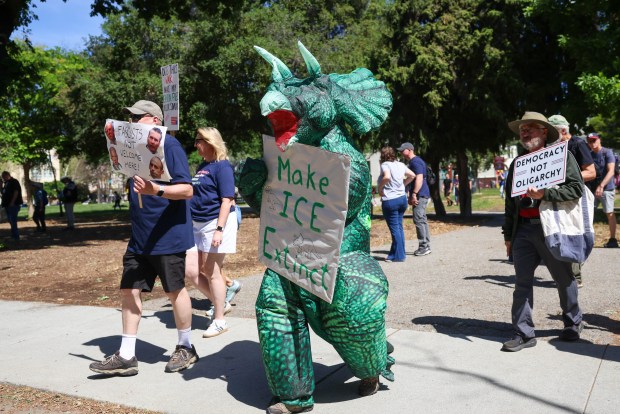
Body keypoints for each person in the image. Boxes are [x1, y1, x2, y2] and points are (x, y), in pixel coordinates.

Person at [89, 100, 198, 376]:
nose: (132, 122)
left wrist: (156, 190)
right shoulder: (132, 151)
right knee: (129, 289)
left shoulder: (169, 146)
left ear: (153, 119)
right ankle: (126, 355)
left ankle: (186, 346)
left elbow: (186, 190)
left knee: (174, 291)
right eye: (130, 118)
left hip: (168, 235)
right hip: (140, 237)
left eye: (137, 117)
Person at [501, 111, 584, 352]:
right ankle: (523, 333)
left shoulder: (562, 156)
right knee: (522, 284)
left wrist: (545, 194)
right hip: (523, 232)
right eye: (522, 129)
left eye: (530, 128)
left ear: (544, 131)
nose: (524, 132)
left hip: (553, 229)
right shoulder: (518, 163)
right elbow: (510, 202)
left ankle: (572, 322)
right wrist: (508, 235)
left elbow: (576, 189)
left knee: (564, 279)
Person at [189, 127, 238, 338]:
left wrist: (219, 229)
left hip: (215, 223)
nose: (195, 144)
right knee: (191, 271)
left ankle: (219, 320)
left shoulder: (222, 167)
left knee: (212, 272)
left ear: (210, 142)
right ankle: (222, 302)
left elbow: (227, 199)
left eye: (198, 140)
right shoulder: (203, 166)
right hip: (197, 224)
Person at [548, 115, 596, 286]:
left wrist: (564, 179)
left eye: (551, 131)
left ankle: (575, 277)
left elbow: (591, 172)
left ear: (562, 130)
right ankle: (567, 274)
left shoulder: (577, 144)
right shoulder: (555, 147)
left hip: (576, 197)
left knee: (573, 231)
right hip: (559, 196)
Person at [377, 146, 415, 262]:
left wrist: (380, 188)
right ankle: (394, 253)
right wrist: (403, 184)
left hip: (390, 200)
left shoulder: (385, 165)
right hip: (401, 199)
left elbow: (387, 177)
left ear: (383, 156)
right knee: (398, 227)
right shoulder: (400, 165)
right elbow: (412, 175)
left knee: (395, 229)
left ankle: (399, 256)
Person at [398, 142, 432, 256]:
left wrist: (414, 194)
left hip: (420, 194)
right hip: (422, 194)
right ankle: (426, 245)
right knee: (422, 219)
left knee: (418, 219)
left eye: (403, 150)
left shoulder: (416, 162)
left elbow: (419, 179)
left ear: (410, 150)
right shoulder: (414, 162)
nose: (401, 152)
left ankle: (423, 246)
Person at [586, 132, 618, 248]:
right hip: (592, 189)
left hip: (607, 188)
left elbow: (611, 171)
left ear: (599, 140)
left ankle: (613, 239)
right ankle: (588, 239)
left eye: (594, 140)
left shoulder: (607, 152)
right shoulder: (588, 154)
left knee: (609, 213)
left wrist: (601, 186)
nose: (592, 143)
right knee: (588, 214)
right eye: (589, 141)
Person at [1, 171, 23, 240]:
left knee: (13, 220)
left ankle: (16, 236)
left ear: (7, 175)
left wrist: (12, 202)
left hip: (13, 205)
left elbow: (16, 191)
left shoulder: (14, 181)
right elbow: (3, 194)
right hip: (7, 205)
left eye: (4, 177)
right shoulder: (6, 183)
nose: (3, 178)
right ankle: (14, 235)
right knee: (10, 220)